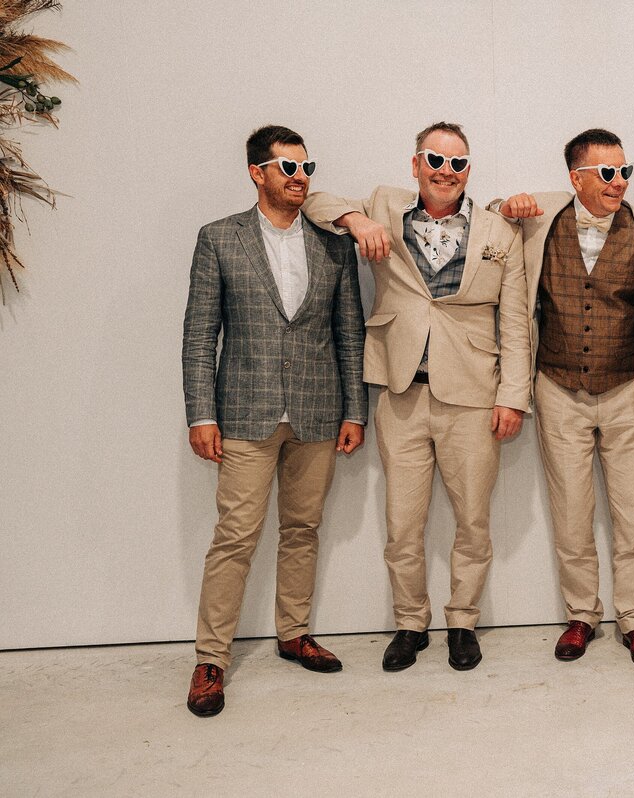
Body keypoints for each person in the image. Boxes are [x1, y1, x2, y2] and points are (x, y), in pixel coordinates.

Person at [303, 122, 530, 673]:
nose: (445, 171)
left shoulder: (501, 231)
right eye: (435, 159)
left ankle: (462, 622)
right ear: (416, 164)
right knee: (402, 522)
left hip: (474, 396)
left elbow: (517, 322)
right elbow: (313, 199)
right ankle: (410, 622)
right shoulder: (383, 204)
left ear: (469, 170)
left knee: (472, 519)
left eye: (457, 163)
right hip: (400, 393)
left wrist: (513, 396)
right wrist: (356, 221)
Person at [182, 124, 367, 717]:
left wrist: (355, 410)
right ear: (257, 173)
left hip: (317, 410)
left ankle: (293, 633)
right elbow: (198, 334)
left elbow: (348, 334)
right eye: (287, 168)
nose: (299, 178)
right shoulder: (219, 239)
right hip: (244, 411)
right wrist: (201, 413)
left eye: (306, 168)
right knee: (235, 536)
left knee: (303, 528)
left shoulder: (332, 243)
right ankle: (210, 658)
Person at [494, 128, 634, 668]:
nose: (619, 181)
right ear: (575, 177)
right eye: (607, 173)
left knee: (633, 515)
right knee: (572, 514)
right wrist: (503, 203)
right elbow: (487, 214)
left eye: (624, 171)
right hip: (557, 388)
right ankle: (581, 615)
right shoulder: (538, 220)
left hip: (629, 388)